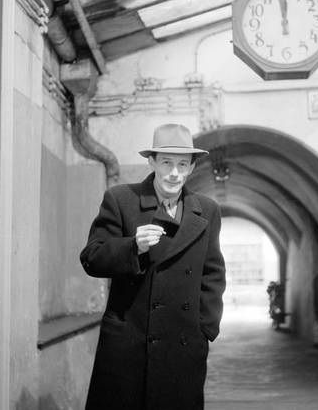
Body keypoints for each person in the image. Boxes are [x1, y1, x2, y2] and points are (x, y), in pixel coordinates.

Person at [80, 123, 226, 410]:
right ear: (152, 162)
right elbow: (92, 257)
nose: (174, 173)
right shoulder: (122, 199)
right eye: (167, 163)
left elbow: (213, 273)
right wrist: (133, 247)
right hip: (129, 343)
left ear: (192, 168)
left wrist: (205, 329)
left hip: (183, 346)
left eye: (182, 164)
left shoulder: (207, 210)